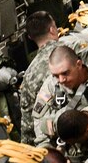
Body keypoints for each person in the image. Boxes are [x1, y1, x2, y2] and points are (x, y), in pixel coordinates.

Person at [20, 11, 61, 145]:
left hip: (52, 138)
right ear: (52, 29)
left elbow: (28, 123)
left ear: (30, 37)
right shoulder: (72, 50)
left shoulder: (29, 75)